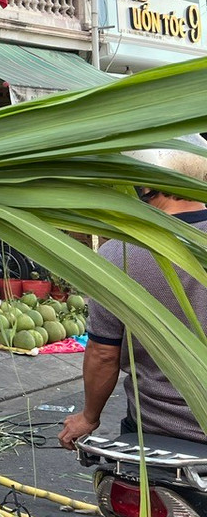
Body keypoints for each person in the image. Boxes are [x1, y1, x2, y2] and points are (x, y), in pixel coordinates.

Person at [59, 145, 207, 449]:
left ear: (147, 185)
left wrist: (88, 417)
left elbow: (104, 353)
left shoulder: (119, 254)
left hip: (155, 428)